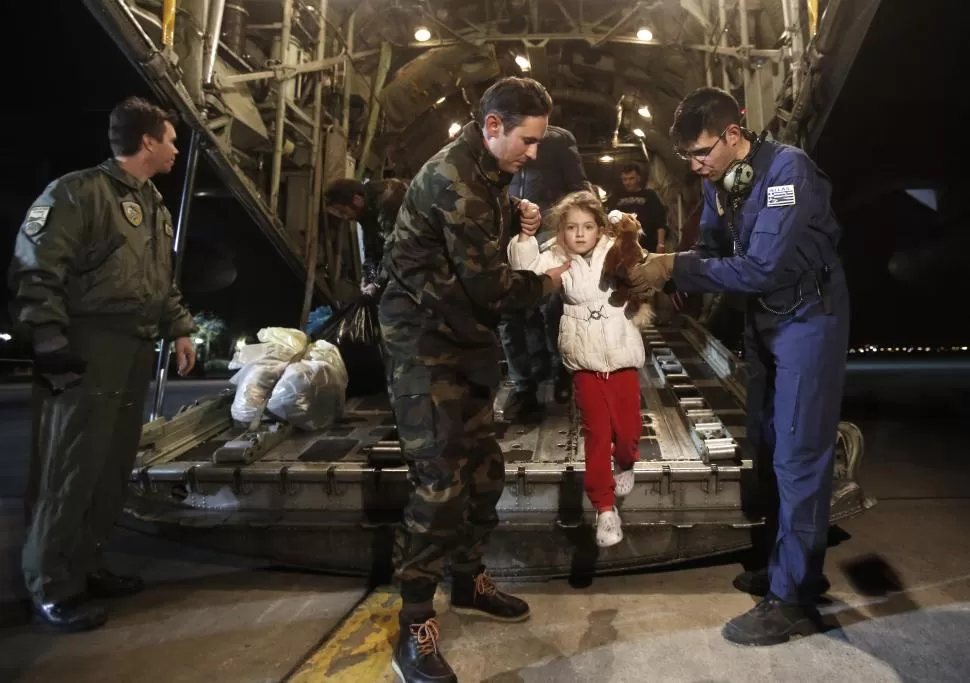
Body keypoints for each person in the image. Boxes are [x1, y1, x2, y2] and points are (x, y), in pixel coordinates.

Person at [623, 87, 850, 646]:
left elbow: (760, 267)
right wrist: (672, 274)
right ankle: (783, 567)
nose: (697, 165)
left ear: (732, 134)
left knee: (798, 453)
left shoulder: (786, 174)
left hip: (806, 319)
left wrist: (673, 268)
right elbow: (717, 245)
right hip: (766, 321)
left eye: (703, 152)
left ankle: (795, 597)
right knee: (768, 444)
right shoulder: (720, 180)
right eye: (689, 158)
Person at [378, 76, 570, 683]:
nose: (532, 154)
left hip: (463, 337)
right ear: (492, 127)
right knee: (439, 483)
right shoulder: (454, 182)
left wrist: (518, 211)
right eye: (527, 141)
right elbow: (491, 289)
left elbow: (479, 234)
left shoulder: (486, 174)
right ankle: (416, 623)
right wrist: (552, 280)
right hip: (425, 344)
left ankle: (467, 582)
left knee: (485, 471)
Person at [8, 96, 197, 632]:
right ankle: (50, 584)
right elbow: (36, 267)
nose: (176, 149)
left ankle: (86, 564)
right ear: (147, 142)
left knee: (110, 469)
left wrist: (178, 327)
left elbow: (160, 279)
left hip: (134, 346)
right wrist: (48, 340)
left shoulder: (153, 205)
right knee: (69, 468)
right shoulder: (77, 193)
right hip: (88, 344)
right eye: (171, 139)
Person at [508, 192, 648, 547]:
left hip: (621, 356)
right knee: (597, 433)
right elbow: (526, 271)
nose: (580, 234)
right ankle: (604, 509)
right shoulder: (557, 253)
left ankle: (627, 462)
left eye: (587, 226)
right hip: (584, 360)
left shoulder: (611, 248)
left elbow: (638, 263)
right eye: (571, 227)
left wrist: (627, 233)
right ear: (562, 230)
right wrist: (526, 238)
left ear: (599, 228)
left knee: (628, 431)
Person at [501, 124, 589, 418]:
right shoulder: (502, 138)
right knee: (510, 311)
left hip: (549, 235)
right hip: (509, 236)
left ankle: (560, 369)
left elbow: (579, 187)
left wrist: (584, 229)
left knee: (551, 309)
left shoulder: (559, 140)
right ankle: (524, 385)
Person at [323, 177, 409, 297]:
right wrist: (369, 278)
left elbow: (397, 252)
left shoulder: (389, 201)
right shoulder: (365, 209)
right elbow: (371, 249)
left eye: (343, 212)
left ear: (356, 200)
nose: (345, 217)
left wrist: (377, 284)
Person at [609, 163, 669, 253]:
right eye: (625, 179)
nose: (628, 183)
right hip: (624, 248)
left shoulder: (649, 195)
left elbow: (660, 222)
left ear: (639, 178)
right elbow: (610, 223)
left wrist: (661, 244)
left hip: (648, 246)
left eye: (631, 179)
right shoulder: (617, 197)